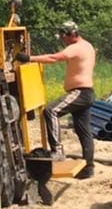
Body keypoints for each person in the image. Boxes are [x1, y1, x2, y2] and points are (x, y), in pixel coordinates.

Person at [19, 21, 97, 179]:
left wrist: (29, 58)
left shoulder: (76, 47)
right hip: (86, 92)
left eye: (64, 37)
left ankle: (57, 151)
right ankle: (88, 168)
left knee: (51, 111)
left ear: (72, 35)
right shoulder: (87, 45)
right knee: (84, 132)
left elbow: (53, 58)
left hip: (80, 92)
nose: (62, 40)